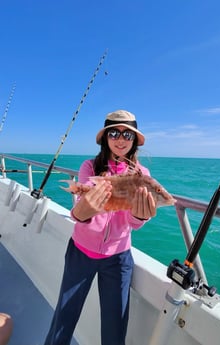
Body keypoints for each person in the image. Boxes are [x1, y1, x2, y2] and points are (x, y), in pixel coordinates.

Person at [44, 110, 157, 345]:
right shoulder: (90, 167)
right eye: (114, 132)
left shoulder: (142, 174)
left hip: (118, 259)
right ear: (106, 137)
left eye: (127, 134)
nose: (120, 139)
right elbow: (79, 213)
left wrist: (140, 216)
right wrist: (85, 209)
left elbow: (133, 224)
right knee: (65, 315)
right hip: (81, 252)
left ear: (134, 140)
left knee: (115, 326)